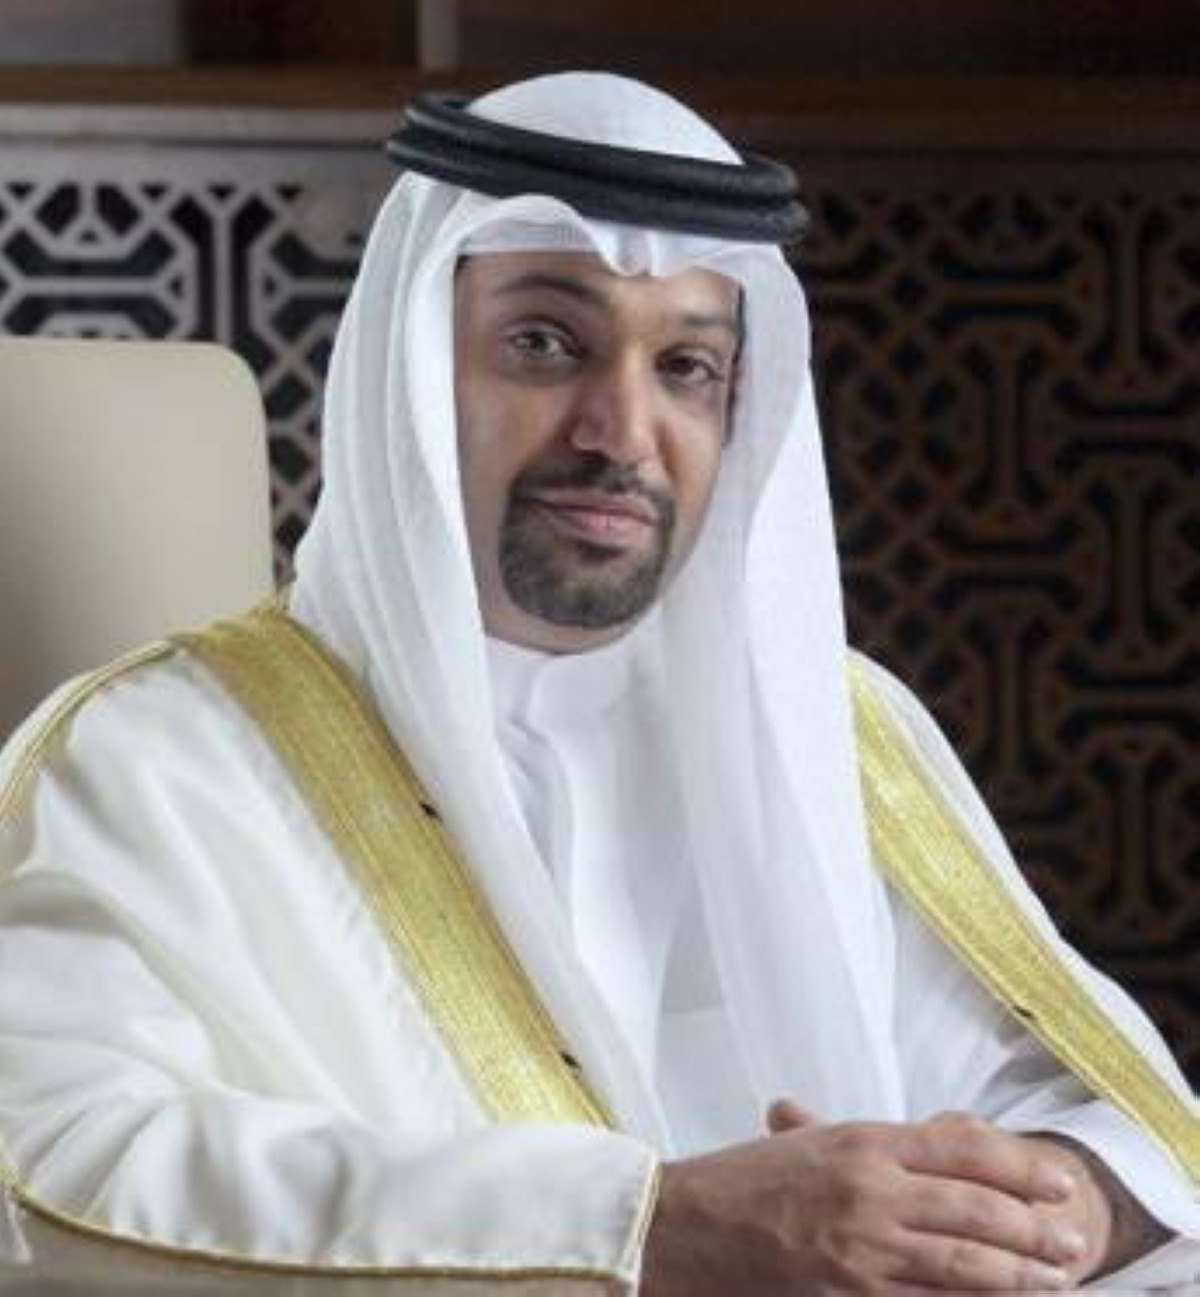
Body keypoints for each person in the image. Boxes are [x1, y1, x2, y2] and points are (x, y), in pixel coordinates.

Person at [0, 71, 1197, 1295]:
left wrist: (1067, 1202)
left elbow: (1082, 1109)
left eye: (686, 366)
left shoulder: (830, 730)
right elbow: (48, 1168)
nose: (621, 431)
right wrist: (649, 1228)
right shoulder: (149, 760)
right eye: (545, 344)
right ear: (409, 373)